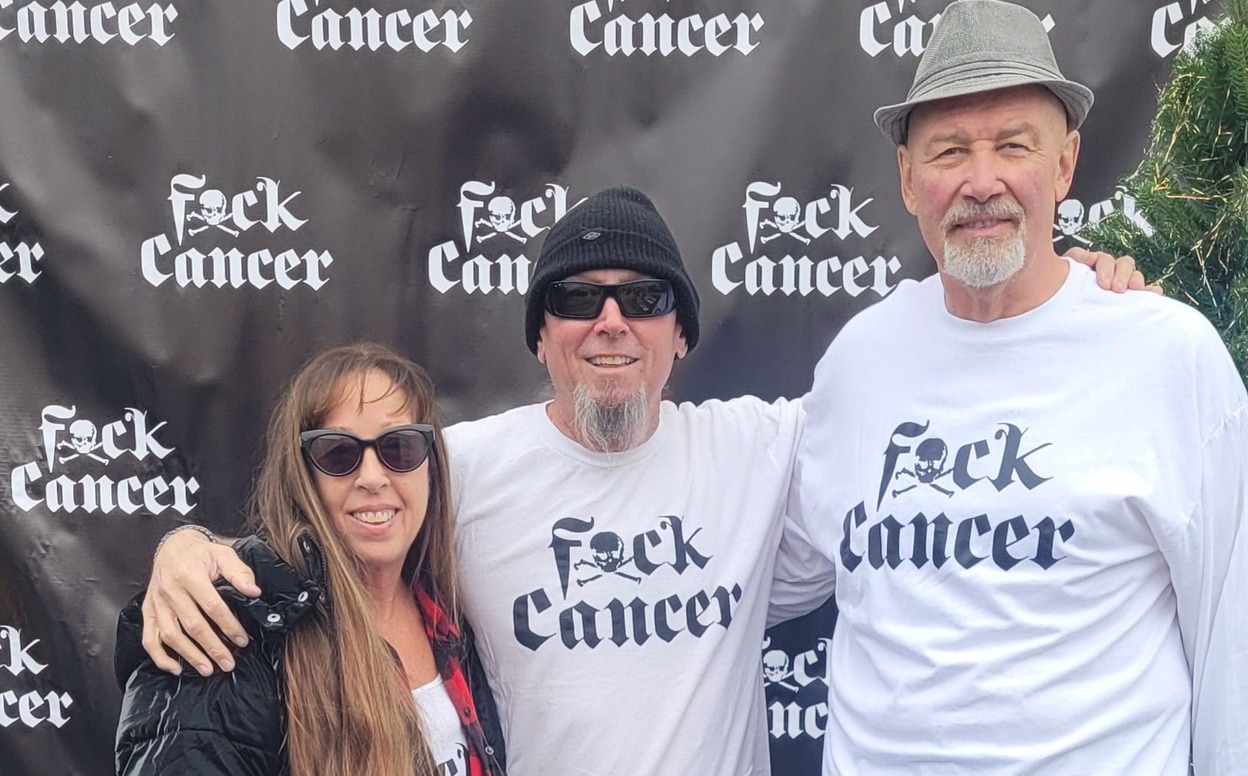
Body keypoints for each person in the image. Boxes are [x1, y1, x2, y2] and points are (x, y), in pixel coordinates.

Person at [135, 187, 1146, 775]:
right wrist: (184, 552)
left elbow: (947, 401)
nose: (610, 321)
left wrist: (1067, 298)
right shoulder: (452, 467)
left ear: (680, 336)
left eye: (644, 297)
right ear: (542, 336)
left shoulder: (763, 447)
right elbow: (323, 533)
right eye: (577, 299)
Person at [773, 1, 1248, 773]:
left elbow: (1235, 656)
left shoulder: (1167, 357)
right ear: (909, 178)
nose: (982, 182)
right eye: (950, 151)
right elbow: (758, 572)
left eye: (1013, 145)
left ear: (1065, 164)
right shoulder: (858, 360)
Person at [114, 343, 505, 776]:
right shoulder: (225, 632)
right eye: (338, 453)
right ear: (302, 475)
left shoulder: (459, 612)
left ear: (432, 466)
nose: (373, 477)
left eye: (399, 447)